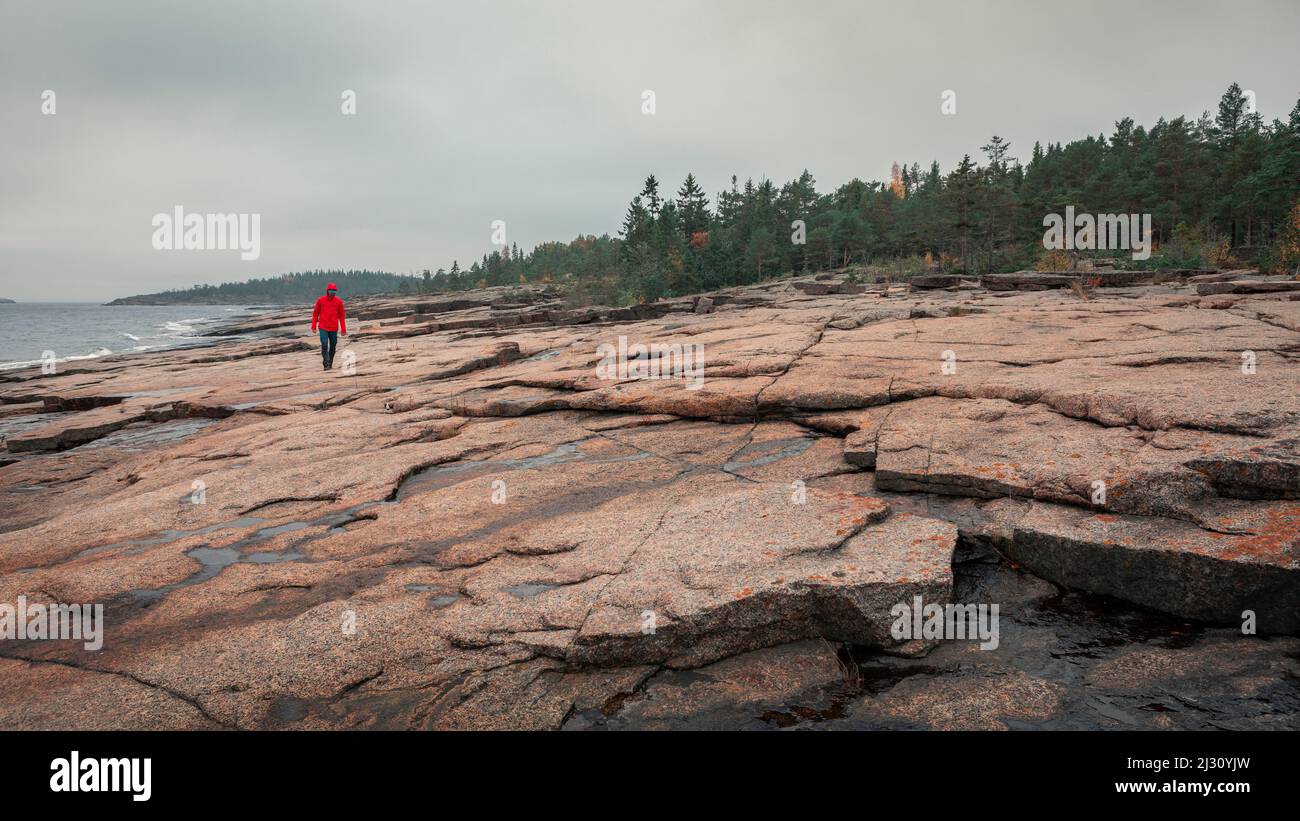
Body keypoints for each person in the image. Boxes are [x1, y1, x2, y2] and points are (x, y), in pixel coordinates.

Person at [310, 283, 347, 370]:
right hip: (323, 327)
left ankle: (330, 363)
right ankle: (326, 363)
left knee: (333, 345)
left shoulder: (339, 302)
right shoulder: (320, 300)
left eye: (334, 291)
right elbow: (315, 314)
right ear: (327, 291)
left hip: (333, 327)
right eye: (331, 291)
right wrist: (313, 326)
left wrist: (343, 329)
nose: (332, 293)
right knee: (324, 344)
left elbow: (341, 316)